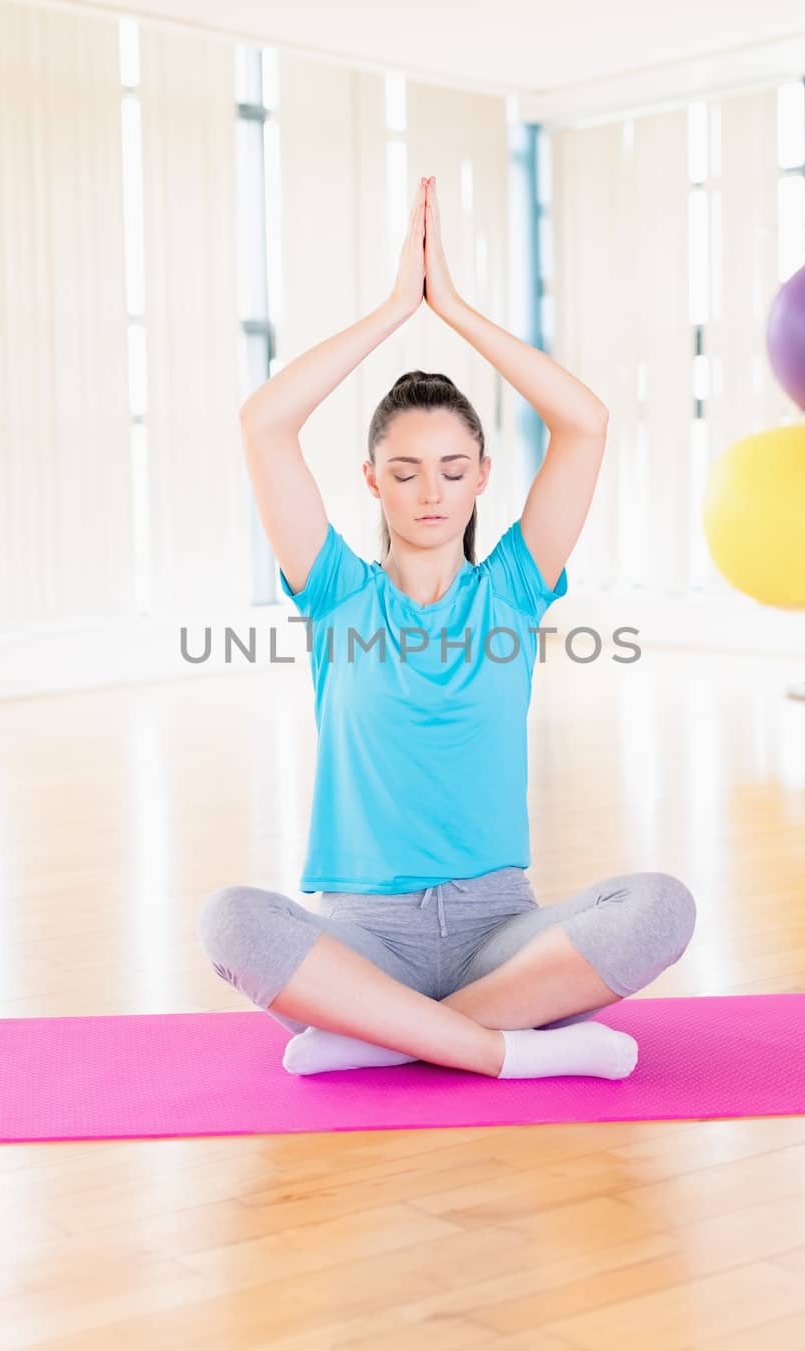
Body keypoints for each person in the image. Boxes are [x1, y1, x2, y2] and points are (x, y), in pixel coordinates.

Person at [198, 176, 696, 1081]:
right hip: (365, 938)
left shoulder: (513, 587)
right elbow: (264, 423)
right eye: (405, 470)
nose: (429, 492)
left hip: (499, 935)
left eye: (451, 469)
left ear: (480, 478)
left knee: (659, 907)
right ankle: (505, 1052)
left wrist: (454, 309)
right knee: (230, 919)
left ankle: (378, 1037)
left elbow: (583, 423)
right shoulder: (336, 591)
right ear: (371, 480)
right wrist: (397, 308)